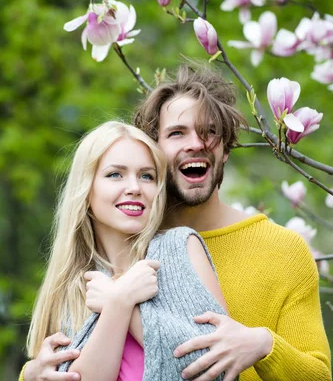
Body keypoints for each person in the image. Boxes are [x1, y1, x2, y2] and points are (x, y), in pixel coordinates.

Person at [22, 64, 332, 381]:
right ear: (155, 149)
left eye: (210, 132)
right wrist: (30, 375)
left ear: (226, 149)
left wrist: (264, 344)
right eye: (177, 133)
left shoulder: (282, 250)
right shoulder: (118, 237)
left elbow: (319, 376)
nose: (196, 143)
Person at [23, 120, 230, 381]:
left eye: (147, 176)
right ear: (86, 189)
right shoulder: (72, 288)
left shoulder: (180, 248)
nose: (134, 187)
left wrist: (121, 303)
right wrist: (119, 304)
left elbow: (217, 368)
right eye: (115, 174)